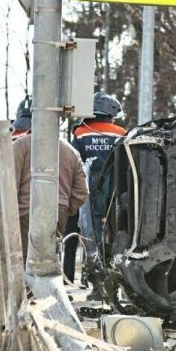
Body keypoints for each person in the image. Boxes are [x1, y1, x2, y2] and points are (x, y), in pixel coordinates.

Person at [68, 92, 125, 283]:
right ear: (110, 113)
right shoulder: (119, 132)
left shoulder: (80, 132)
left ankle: (91, 275)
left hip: (87, 185)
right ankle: (112, 272)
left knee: (89, 230)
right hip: (114, 186)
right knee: (116, 229)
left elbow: (74, 161)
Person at [13, 124, 89, 265]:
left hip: (26, 209)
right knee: (50, 260)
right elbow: (82, 190)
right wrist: (67, 208)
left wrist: (11, 212)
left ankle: (30, 287)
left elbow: (10, 182)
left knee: (28, 261)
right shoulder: (70, 150)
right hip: (58, 209)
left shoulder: (20, 145)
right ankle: (48, 286)